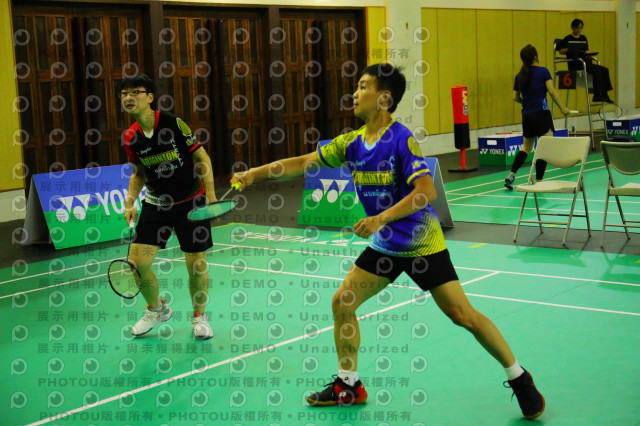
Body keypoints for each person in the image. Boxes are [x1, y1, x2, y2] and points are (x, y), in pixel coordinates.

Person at [231, 63, 545, 420]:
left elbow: (425, 192)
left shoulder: (401, 139)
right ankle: (348, 385)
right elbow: (304, 162)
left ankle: (519, 376)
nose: (355, 93)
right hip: (386, 245)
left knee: (463, 315)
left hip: (420, 242)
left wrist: (380, 218)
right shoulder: (351, 142)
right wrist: (254, 174)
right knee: (343, 302)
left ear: (383, 98)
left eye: (363, 86)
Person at [119, 73, 215, 340]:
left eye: (135, 92)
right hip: (156, 203)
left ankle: (199, 316)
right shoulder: (131, 136)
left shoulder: (173, 123)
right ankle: (157, 310)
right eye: (124, 94)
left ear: (150, 97)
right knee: (137, 262)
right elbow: (138, 173)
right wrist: (130, 202)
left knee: (196, 263)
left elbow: (201, 156)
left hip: (190, 201)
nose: (128, 97)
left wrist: (211, 194)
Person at [505, 44, 570, 190]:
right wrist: (563, 108)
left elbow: (515, 97)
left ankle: (512, 174)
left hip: (527, 116)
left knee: (526, 148)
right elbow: (552, 91)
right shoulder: (543, 71)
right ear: (535, 56)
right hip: (542, 115)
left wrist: (526, 103)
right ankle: (539, 181)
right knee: (544, 149)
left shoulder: (519, 76)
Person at [558, 18, 613, 104]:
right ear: (573, 28)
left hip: (584, 61)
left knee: (605, 70)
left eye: (581, 28)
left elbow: (586, 51)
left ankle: (605, 94)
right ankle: (597, 95)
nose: (579, 30)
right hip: (575, 63)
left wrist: (590, 55)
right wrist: (568, 49)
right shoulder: (568, 38)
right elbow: (560, 51)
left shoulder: (583, 38)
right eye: (578, 28)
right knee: (597, 70)